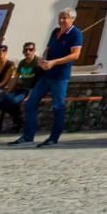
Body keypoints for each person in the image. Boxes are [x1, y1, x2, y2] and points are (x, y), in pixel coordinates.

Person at [11, 8, 84, 145]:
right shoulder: (55, 32)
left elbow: (75, 55)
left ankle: (53, 138)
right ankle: (28, 136)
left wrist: (54, 62)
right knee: (30, 103)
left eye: (64, 18)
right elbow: (48, 49)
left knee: (58, 107)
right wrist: (43, 60)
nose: (61, 20)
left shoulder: (76, 33)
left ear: (72, 19)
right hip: (45, 75)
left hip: (60, 76)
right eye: (60, 17)